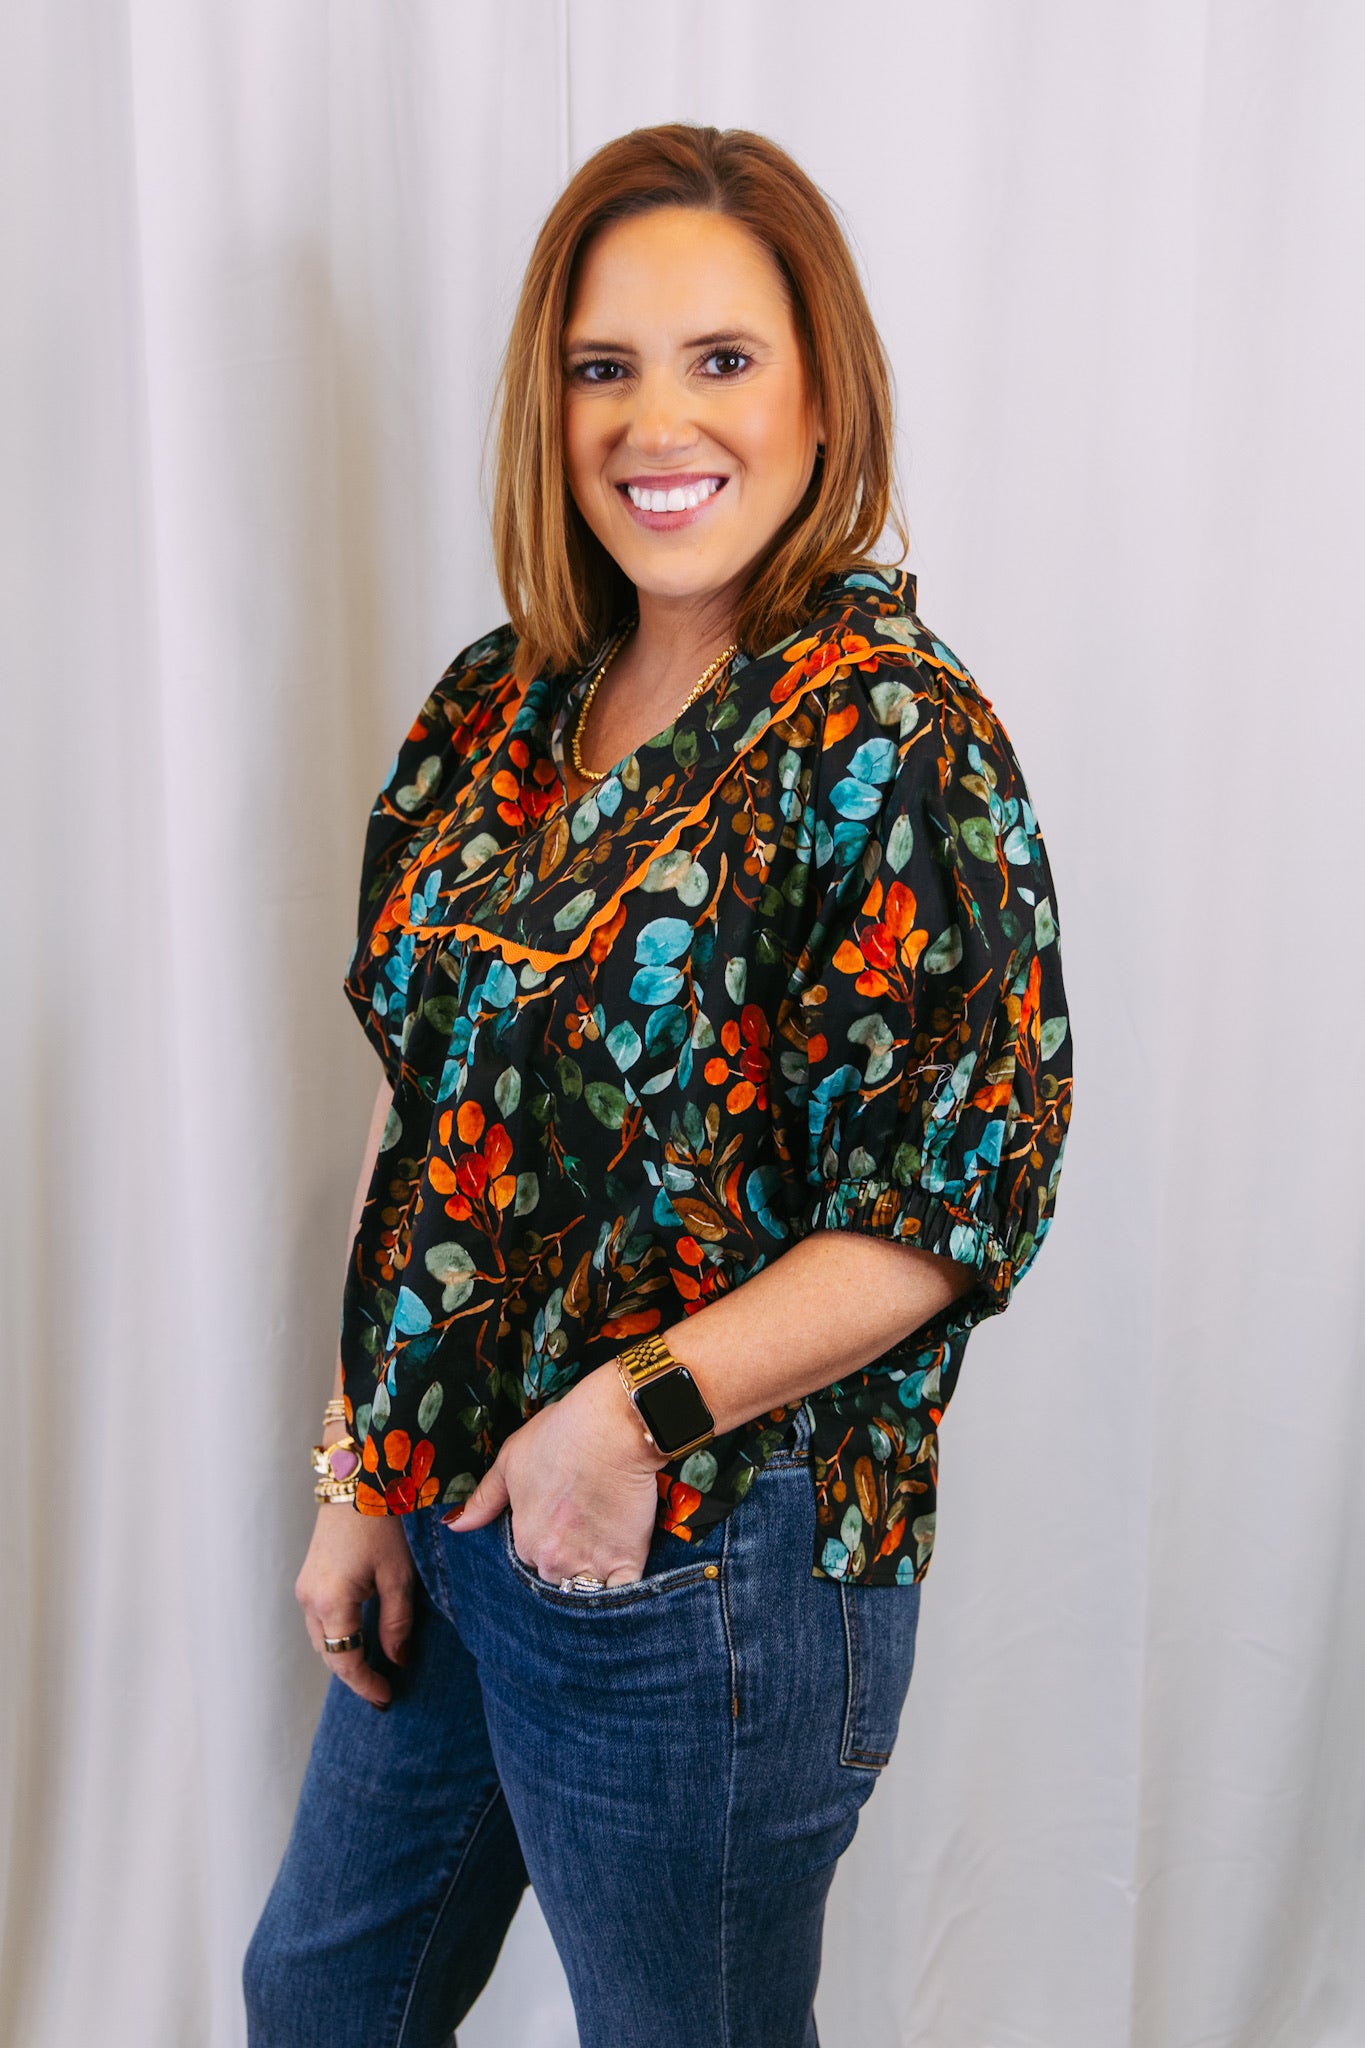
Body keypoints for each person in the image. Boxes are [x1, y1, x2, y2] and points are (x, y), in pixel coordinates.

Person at [244, 123, 1072, 2048]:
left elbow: (954, 1201)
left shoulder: (884, 730)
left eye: (720, 359)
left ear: (815, 390)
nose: (650, 420)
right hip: (460, 1507)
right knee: (319, 1998)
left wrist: (627, 1421)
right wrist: (363, 1463)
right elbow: (418, 1108)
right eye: (603, 366)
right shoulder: (500, 704)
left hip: (711, 1562)